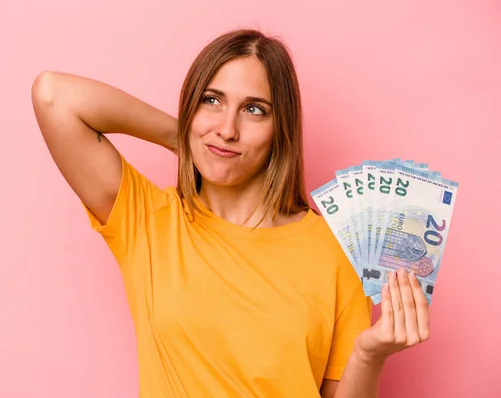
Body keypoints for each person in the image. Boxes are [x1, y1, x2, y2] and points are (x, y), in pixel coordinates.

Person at [31, 29, 430, 398]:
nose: (227, 128)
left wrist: (368, 356)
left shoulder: (336, 250)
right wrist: (184, 137)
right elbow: (54, 95)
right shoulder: (149, 220)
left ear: (281, 129)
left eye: (254, 110)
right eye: (211, 101)